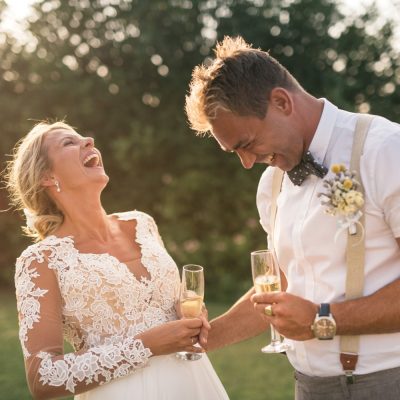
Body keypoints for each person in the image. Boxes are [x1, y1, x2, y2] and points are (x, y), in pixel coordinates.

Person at [185, 35, 400, 399]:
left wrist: (322, 319)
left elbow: (308, 315)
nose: (248, 162)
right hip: (307, 386)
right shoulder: (271, 184)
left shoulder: (384, 149)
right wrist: (203, 338)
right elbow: (281, 286)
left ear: (281, 102)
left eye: (247, 144)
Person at [5, 121, 229, 400]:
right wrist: (146, 346)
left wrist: (189, 315)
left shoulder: (142, 223)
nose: (87, 140)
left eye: (82, 137)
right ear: (46, 177)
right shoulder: (40, 261)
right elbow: (42, 378)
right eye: (68, 143)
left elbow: (166, 304)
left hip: (193, 383)